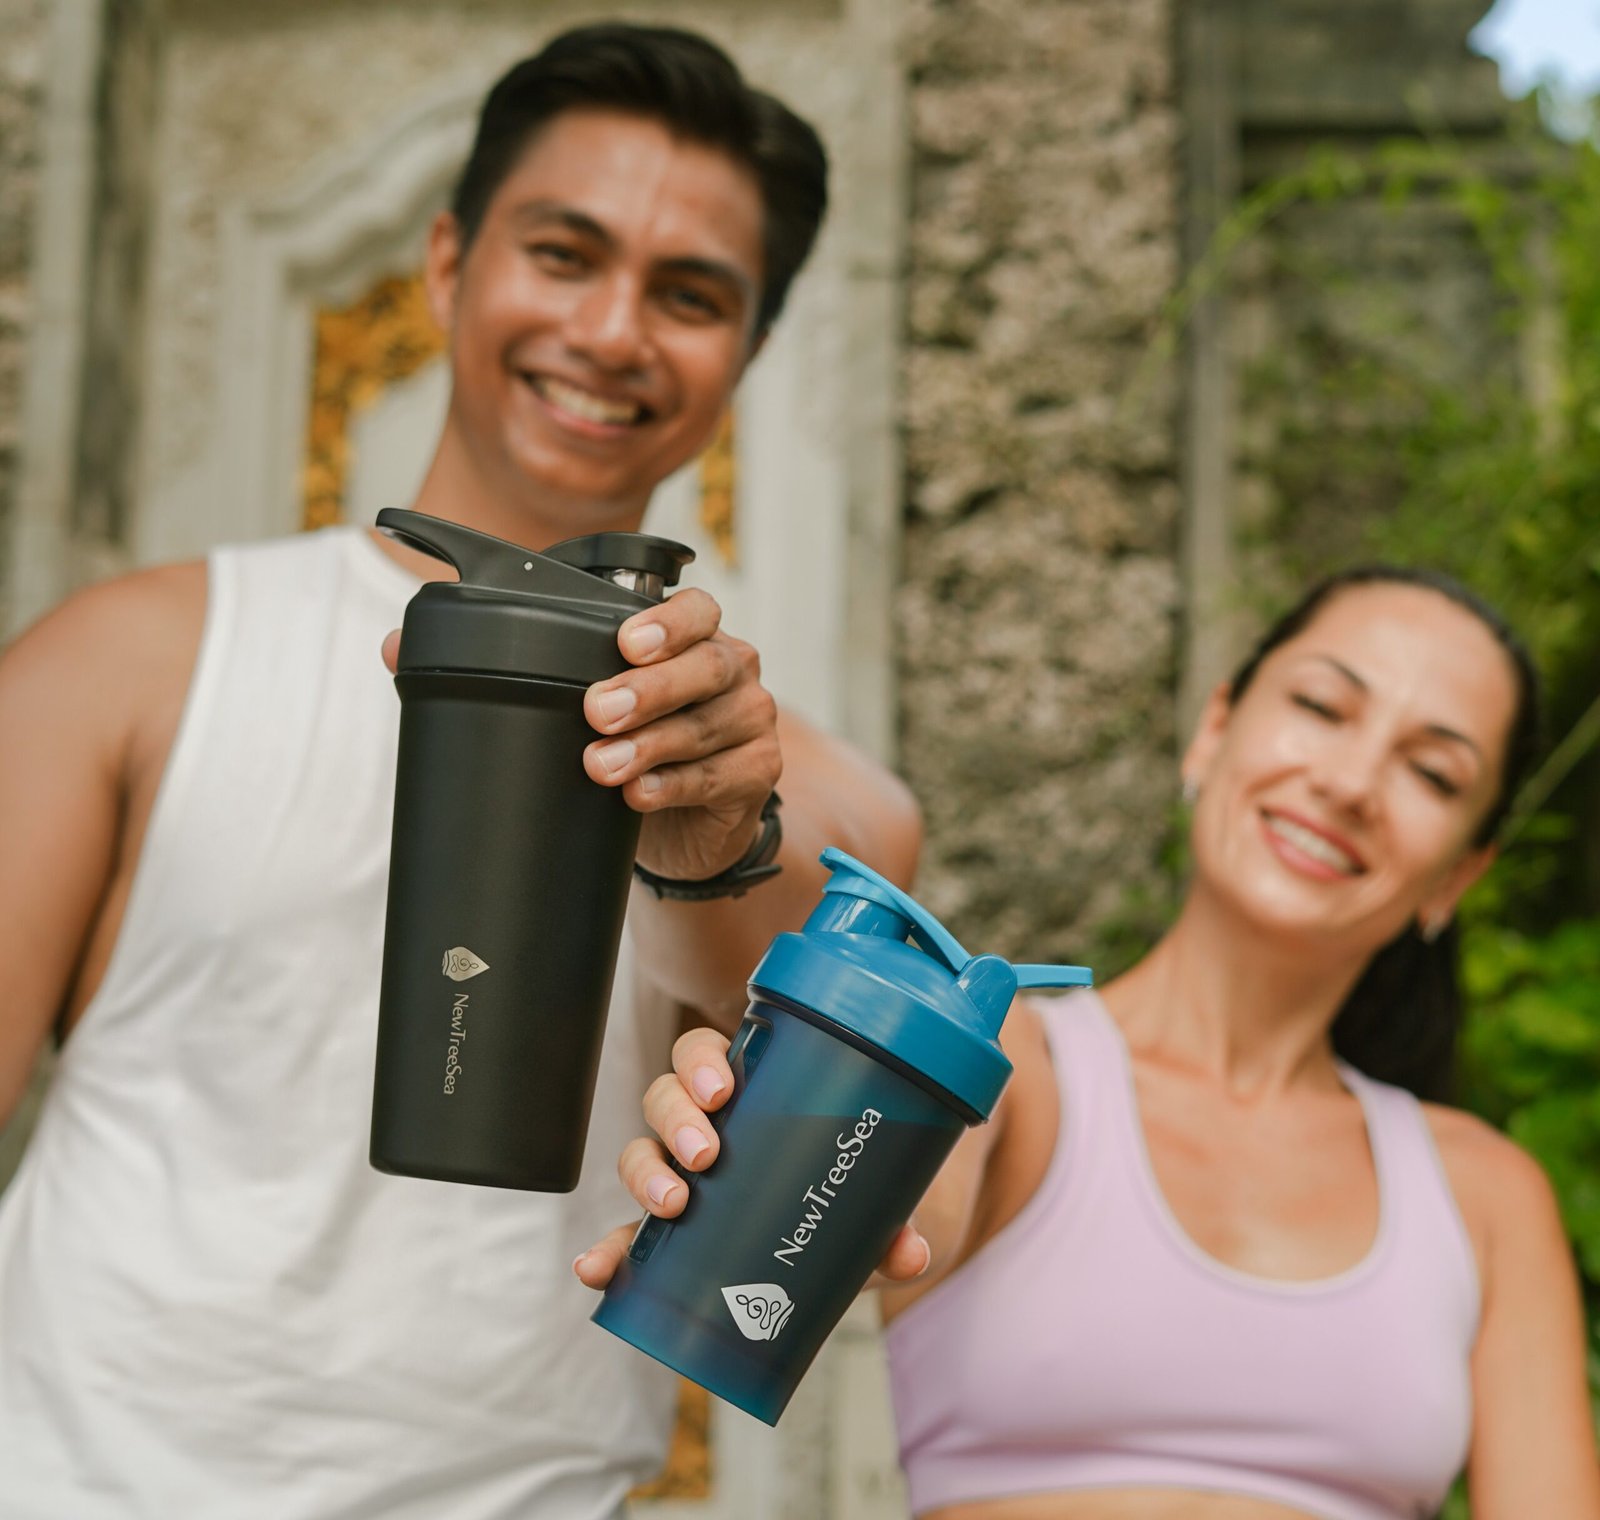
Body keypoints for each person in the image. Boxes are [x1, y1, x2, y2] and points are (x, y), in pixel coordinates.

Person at [0, 23, 919, 1520]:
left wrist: (713, 856)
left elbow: (767, 1243)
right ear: (444, 265)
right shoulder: (128, 664)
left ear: (746, 356)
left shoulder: (833, 814)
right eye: (564, 254)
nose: (613, 330)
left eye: (690, 295)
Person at [589, 566, 1600, 1520]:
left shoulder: (1484, 1195)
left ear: (1456, 878)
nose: (1351, 781)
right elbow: (898, 1197)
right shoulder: (1016, 1067)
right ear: (1212, 731)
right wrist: (772, 1160)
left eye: (1430, 770)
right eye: (1323, 707)